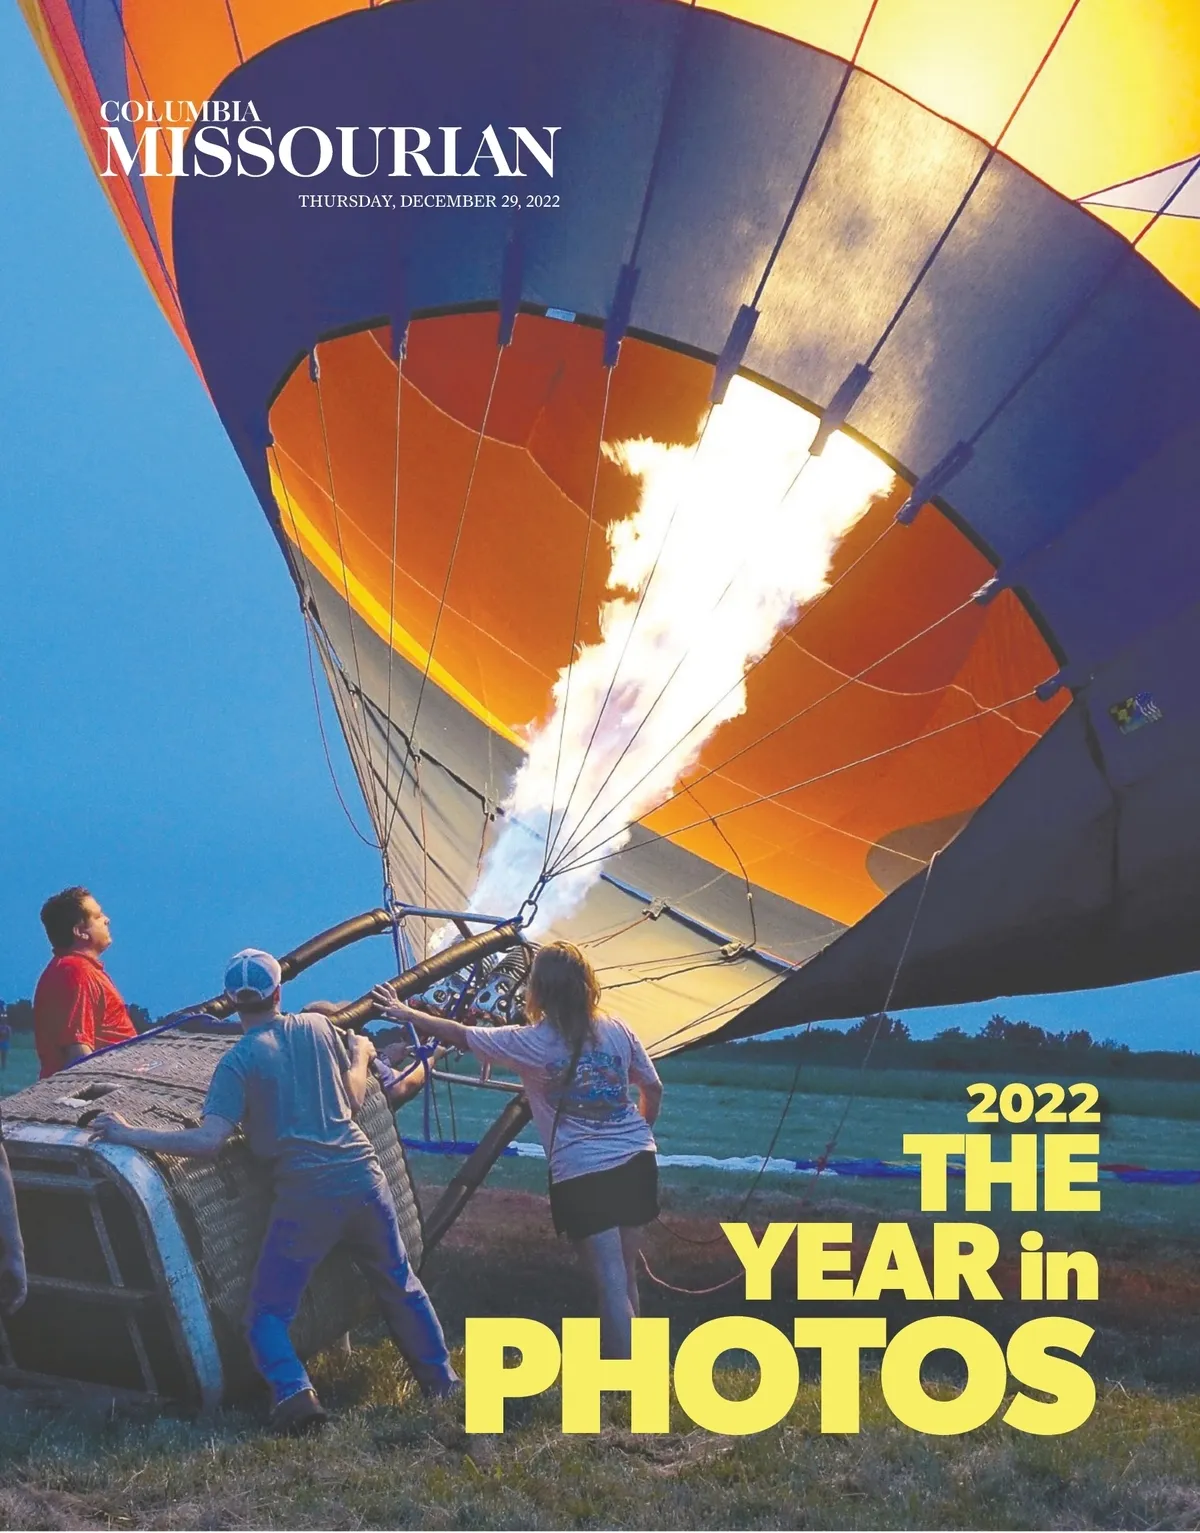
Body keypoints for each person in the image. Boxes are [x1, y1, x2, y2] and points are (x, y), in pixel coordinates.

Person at [90, 948, 459, 1432]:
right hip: (364, 1177)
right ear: (279, 991)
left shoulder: (238, 1062)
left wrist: (127, 1133)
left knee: (265, 1315)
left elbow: (208, 1141)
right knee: (400, 1285)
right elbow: (352, 1099)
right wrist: (361, 1055)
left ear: (231, 1000)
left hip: (306, 1195)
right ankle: (443, 1385)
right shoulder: (318, 1028)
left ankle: (294, 1394)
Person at [374, 940, 663, 1357]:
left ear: (538, 990)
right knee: (626, 1274)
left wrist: (407, 1013)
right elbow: (653, 1087)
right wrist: (637, 1135)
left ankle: (627, 1380)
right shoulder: (618, 1030)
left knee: (610, 1283)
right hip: (637, 1160)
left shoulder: (533, 1041)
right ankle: (639, 1369)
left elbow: (461, 1033)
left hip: (584, 1171)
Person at [33, 888, 136, 1078]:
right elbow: (78, 1054)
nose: (107, 920)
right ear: (80, 932)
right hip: (104, 1087)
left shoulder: (72, 969)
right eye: (98, 916)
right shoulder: (76, 972)